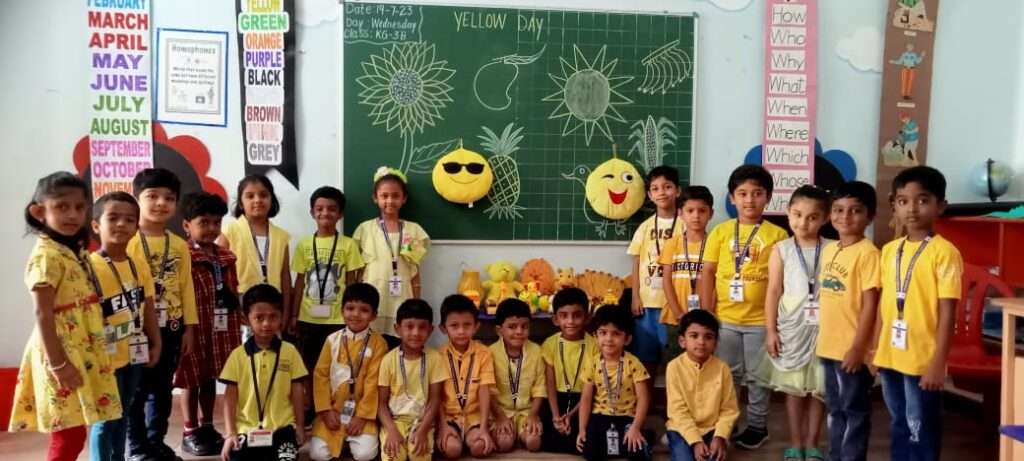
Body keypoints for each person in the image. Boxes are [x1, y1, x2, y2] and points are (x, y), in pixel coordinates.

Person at [9, 172, 121, 461]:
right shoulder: (46, 256)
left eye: (79, 207)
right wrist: (59, 364)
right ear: (39, 212)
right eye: (62, 207)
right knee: (68, 434)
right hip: (60, 354)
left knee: (74, 431)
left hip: (80, 351)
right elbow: (42, 313)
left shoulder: (72, 250)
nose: (72, 214)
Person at [874, 166, 962, 461]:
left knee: (921, 427)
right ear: (894, 205)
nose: (912, 209)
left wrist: (938, 363)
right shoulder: (890, 250)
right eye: (903, 201)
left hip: (923, 358)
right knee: (899, 422)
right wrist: (876, 348)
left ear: (941, 206)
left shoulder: (944, 252)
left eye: (922, 200)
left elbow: (948, 312)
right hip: (891, 355)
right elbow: (885, 303)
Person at [699, 164, 789, 449]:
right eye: (743, 193)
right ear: (732, 197)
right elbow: (708, 273)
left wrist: (775, 324)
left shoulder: (778, 236)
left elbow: (782, 282)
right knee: (727, 376)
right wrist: (707, 313)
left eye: (757, 193)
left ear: (768, 197)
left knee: (758, 378)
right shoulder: (721, 232)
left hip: (761, 322)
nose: (750, 199)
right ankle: (727, 424)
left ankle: (758, 426)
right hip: (724, 319)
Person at [754, 185, 834, 461]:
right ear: (788, 212)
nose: (803, 223)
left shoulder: (833, 248)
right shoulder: (782, 249)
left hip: (824, 329)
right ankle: (796, 442)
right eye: (797, 215)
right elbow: (773, 291)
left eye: (812, 217)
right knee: (794, 389)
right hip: (791, 329)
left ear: (825, 218)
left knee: (819, 390)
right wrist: (771, 330)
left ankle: (812, 443)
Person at [127, 168, 195, 461]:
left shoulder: (179, 244)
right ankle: (137, 447)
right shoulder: (127, 241)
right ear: (136, 199)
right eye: (152, 196)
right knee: (135, 390)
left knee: (163, 388)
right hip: (136, 329)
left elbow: (186, 287)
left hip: (172, 326)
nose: (160, 203)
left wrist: (190, 327)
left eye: (169, 198)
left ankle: (156, 442)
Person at [88, 192, 162, 461]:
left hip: (132, 354)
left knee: (124, 414)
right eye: (113, 218)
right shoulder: (88, 267)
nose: (121, 224)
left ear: (136, 226)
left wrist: (156, 342)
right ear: (96, 225)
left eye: (129, 220)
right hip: (104, 359)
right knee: (104, 420)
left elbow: (148, 306)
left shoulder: (137, 265)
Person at [174, 192, 241, 456]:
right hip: (194, 327)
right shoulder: (182, 255)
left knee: (212, 376)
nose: (212, 228)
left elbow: (233, 288)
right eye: (204, 222)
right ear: (187, 225)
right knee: (192, 379)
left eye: (216, 222)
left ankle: (207, 426)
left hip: (221, 328)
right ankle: (190, 431)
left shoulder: (226, 257)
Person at [817, 181, 880, 461]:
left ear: (870, 216)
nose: (845, 217)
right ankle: (836, 456)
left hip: (851, 349)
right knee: (835, 409)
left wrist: (858, 348)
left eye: (855, 210)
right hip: (828, 347)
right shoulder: (830, 249)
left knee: (854, 411)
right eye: (839, 209)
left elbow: (871, 305)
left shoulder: (868, 253)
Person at [292, 186, 365, 424]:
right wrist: (293, 315)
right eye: (320, 209)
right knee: (310, 366)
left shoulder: (348, 245)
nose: (325, 213)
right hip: (308, 318)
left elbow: (353, 282)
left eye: (332, 209)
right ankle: (312, 407)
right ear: (312, 212)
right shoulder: (304, 245)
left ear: (340, 214)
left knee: (338, 366)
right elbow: (299, 282)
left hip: (337, 319)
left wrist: (351, 316)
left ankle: (335, 406)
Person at [219, 284, 307, 461]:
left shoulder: (290, 352)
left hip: (283, 429)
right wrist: (230, 433)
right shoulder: (237, 355)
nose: (266, 323)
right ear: (246, 319)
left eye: (273, 317)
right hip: (247, 429)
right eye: (259, 318)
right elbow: (230, 397)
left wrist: (299, 426)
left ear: (281, 316)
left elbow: (298, 391)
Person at [308, 283, 388, 461]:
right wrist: (325, 410)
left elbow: (373, 382)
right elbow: (320, 376)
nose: (356, 314)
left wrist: (362, 416)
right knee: (318, 455)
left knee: (365, 455)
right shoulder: (332, 340)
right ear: (342, 310)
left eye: (364, 310)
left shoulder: (378, 343)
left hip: (362, 413)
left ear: (374, 315)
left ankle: (351, 438)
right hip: (333, 410)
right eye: (350, 308)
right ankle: (338, 436)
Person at [353, 167, 429, 336]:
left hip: (402, 298)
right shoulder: (365, 229)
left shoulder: (413, 230)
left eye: (395, 196)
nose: (390, 200)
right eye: (384, 196)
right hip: (372, 299)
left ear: (404, 198)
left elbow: (415, 270)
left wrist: (417, 303)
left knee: (399, 342)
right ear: (375, 198)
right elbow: (358, 271)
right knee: (372, 342)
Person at [218, 175, 293, 334]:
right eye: (250, 196)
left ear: (272, 200)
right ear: (241, 203)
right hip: (240, 301)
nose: (257, 200)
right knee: (243, 347)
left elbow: (285, 276)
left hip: (273, 302)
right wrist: (233, 305)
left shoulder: (281, 236)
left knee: (270, 346)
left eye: (263, 195)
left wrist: (286, 311)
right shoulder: (229, 231)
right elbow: (219, 273)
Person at [576, 304, 652, 461]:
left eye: (616, 334)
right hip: (600, 416)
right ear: (595, 336)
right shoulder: (592, 363)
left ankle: (644, 436)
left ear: (627, 339)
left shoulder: (633, 363)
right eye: (603, 333)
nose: (609, 339)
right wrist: (582, 429)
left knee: (637, 453)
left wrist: (636, 427)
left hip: (627, 417)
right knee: (589, 452)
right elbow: (586, 399)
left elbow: (643, 398)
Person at [627, 165, 683, 374]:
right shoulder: (645, 227)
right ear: (650, 195)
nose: (662, 192)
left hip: (675, 305)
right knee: (645, 362)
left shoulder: (685, 224)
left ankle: (674, 397)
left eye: (667, 187)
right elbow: (636, 263)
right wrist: (635, 297)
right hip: (647, 304)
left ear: (677, 191)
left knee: (675, 362)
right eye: (656, 188)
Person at [377, 299, 447, 461]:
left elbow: (435, 399)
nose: (415, 333)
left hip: (423, 421)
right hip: (394, 422)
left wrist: (423, 430)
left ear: (430, 330)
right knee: (394, 458)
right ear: (397, 329)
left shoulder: (435, 358)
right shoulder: (388, 360)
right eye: (409, 326)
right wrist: (391, 431)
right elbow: (381, 404)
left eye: (422, 327)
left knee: (418, 457)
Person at [665, 310, 739, 461]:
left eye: (708, 337)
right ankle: (675, 442)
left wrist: (720, 437)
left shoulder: (722, 369)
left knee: (714, 458)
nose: (701, 342)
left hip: (713, 430)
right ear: (682, 341)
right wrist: (696, 441)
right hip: (681, 429)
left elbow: (729, 409)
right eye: (694, 336)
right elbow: (677, 411)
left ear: (715, 343)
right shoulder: (674, 367)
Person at [436, 294, 497, 458]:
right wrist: (443, 427)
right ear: (443, 328)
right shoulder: (438, 356)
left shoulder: (484, 354)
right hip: (449, 419)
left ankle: (475, 435)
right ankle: (453, 437)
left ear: (476, 326)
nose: (461, 331)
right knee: (452, 450)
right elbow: (436, 396)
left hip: (474, 418)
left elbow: (485, 391)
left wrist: (483, 428)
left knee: (480, 448)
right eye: (454, 325)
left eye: (467, 325)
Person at [540, 287, 598, 454]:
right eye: (564, 316)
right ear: (555, 319)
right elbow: (550, 384)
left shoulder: (595, 346)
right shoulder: (549, 344)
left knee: (587, 443)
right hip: (556, 400)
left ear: (587, 317)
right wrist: (556, 416)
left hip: (584, 400)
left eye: (577, 315)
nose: (570, 321)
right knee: (541, 441)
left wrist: (571, 415)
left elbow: (593, 388)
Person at [660, 185, 714, 360]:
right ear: (680, 213)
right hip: (675, 318)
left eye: (702, 211)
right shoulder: (672, 244)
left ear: (711, 214)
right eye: (690, 211)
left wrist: (707, 313)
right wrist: (678, 314)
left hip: (706, 319)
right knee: (675, 363)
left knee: (703, 364)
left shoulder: (715, 244)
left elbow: (717, 283)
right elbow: (666, 281)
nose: (696, 216)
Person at [488, 298, 546, 452]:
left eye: (524, 326)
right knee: (504, 444)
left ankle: (520, 434)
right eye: (512, 327)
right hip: (500, 412)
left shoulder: (537, 351)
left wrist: (533, 415)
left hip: (527, 412)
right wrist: (500, 417)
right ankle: (510, 434)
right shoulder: (489, 353)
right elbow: (488, 391)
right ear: (499, 330)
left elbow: (540, 389)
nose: (519, 331)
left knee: (533, 443)